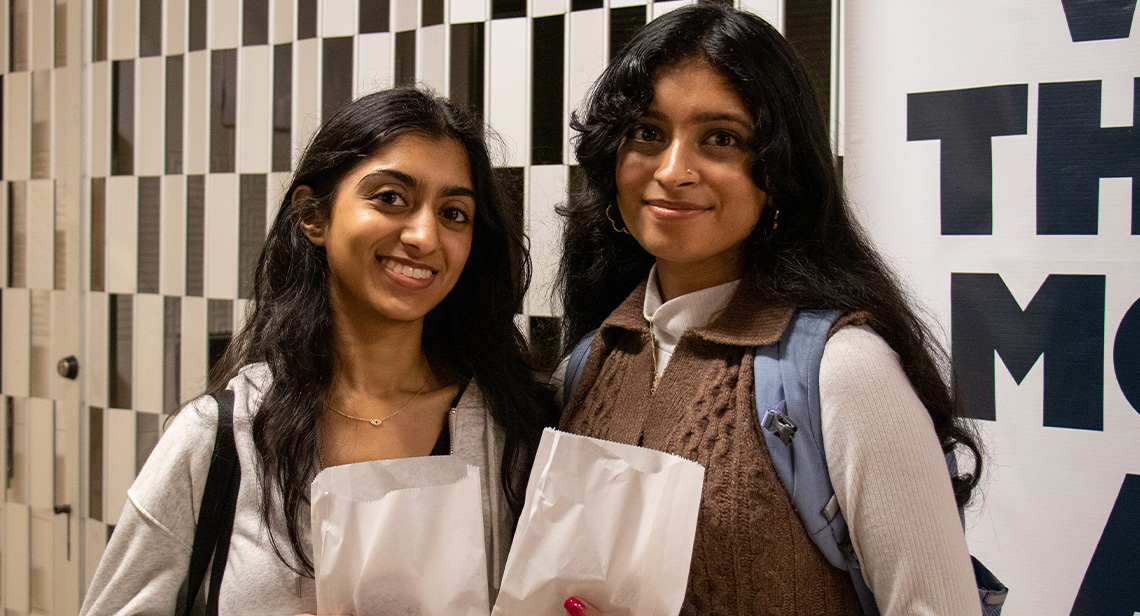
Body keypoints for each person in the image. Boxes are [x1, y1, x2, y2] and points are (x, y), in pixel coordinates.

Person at [555, 3, 984, 615]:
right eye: (647, 133)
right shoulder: (589, 362)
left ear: (778, 174)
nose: (673, 170)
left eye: (720, 139)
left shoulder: (842, 371)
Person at [80, 87, 554, 614]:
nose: (425, 235)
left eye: (454, 213)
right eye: (390, 198)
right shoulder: (219, 438)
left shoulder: (513, 429)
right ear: (313, 217)